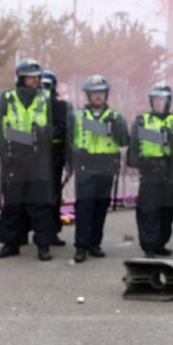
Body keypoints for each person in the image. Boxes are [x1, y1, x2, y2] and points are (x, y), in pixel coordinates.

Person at [0, 59, 56, 261]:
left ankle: (43, 245)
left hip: (37, 160)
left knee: (40, 206)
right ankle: (10, 244)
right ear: (20, 78)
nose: (35, 80)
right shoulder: (6, 99)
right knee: (12, 205)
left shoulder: (45, 99)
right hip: (13, 159)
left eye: (37, 77)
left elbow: (50, 127)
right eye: (30, 77)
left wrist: (44, 134)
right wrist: (5, 152)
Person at [70, 75, 129, 263]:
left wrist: (116, 127)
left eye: (101, 93)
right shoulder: (77, 116)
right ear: (88, 95)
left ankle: (95, 244)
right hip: (86, 166)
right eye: (94, 93)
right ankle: (81, 246)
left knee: (100, 208)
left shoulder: (116, 116)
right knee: (84, 207)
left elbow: (124, 141)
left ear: (106, 95)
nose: (98, 96)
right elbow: (70, 142)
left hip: (106, 166)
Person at [128, 82, 173, 258]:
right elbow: (134, 147)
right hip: (150, 172)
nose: (160, 103)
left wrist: (170, 141)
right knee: (148, 210)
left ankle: (160, 243)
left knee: (167, 211)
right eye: (157, 99)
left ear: (169, 101)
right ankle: (149, 246)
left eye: (163, 99)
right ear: (151, 101)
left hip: (169, 172)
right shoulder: (142, 120)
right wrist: (140, 163)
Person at [41, 69, 72, 247]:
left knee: (53, 196)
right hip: (33, 156)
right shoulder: (32, 105)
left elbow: (65, 129)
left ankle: (52, 233)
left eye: (47, 86)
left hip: (54, 155)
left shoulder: (61, 106)